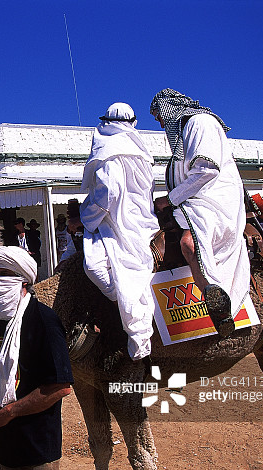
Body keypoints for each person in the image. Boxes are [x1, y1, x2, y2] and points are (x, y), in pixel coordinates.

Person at [0, 246, 73, 470]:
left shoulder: (44, 320)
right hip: (6, 443)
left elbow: (60, 386)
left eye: (4, 274)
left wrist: (10, 413)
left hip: (37, 444)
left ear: (23, 279)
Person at [151, 88, 250, 338]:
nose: (160, 123)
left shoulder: (199, 123)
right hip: (192, 202)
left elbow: (206, 172)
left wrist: (169, 199)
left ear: (169, 108)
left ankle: (217, 305)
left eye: (159, 116)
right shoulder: (184, 135)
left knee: (189, 243)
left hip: (212, 201)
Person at [80, 102, 160, 361]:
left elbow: (107, 195)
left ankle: (123, 312)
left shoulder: (110, 151)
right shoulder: (141, 151)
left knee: (93, 265)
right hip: (144, 224)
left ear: (105, 122)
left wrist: (86, 217)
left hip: (116, 224)